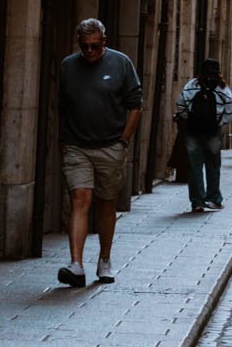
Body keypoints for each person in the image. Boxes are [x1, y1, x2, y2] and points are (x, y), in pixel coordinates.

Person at [55, 18, 142, 286]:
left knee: (106, 202)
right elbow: (61, 105)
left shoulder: (121, 63)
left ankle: (104, 260)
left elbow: (135, 106)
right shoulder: (69, 66)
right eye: (85, 47)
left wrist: (123, 141)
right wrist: (65, 140)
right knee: (80, 199)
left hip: (110, 146)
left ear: (104, 42)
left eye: (94, 46)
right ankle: (76, 264)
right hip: (77, 146)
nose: (90, 52)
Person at [175, 58, 232, 213]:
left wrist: (188, 118)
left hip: (193, 132)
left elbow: (180, 105)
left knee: (195, 167)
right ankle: (214, 198)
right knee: (213, 165)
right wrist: (220, 122)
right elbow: (229, 110)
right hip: (213, 133)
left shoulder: (191, 86)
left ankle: (197, 201)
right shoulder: (223, 88)